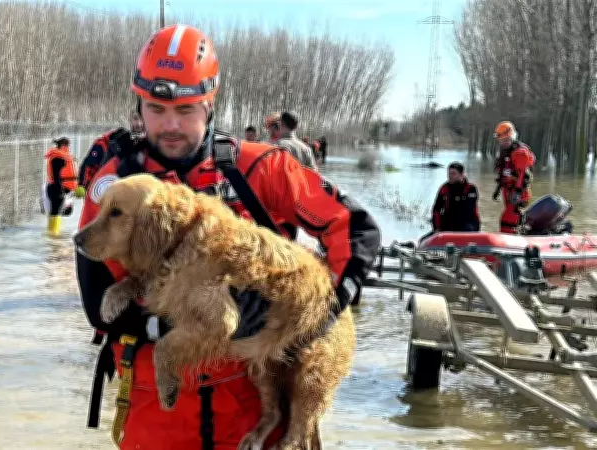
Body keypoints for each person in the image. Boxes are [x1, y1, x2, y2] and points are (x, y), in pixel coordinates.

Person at [75, 24, 381, 450]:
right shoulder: (114, 187)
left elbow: (355, 227)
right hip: (157, 411)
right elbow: (99, 306)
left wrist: (318, 317)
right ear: (138, 104)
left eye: (186, 110)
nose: (170, 125)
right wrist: (199, 323)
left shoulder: (260, 169)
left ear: (210, 103)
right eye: (156, 108)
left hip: (254, 409)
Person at [75, 111, 147, 198]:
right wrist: (83, 186)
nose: (139, 123)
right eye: (136, 119)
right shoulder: (104, 143)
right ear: (130, 120)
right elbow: (88, 165)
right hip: (106, 192)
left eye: (142, 119)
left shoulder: (152, 144)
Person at [492, 121, 536, 234]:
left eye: (505, 140)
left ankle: (508, 240)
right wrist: (498, 189)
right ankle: (517, 233)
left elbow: (524, 175)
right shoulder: (505, 152)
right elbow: (503, 174)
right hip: (508, 191)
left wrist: (517, 192)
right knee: (510, 217)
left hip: (518, 193)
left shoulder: (520, 153)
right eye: (501, 140)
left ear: (511, 138)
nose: (503, 143)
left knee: (508, 219)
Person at [430, 162, 480, 233]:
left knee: (468, 225)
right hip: (448, 225)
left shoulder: (470, 189)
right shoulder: (444, 189)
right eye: (449, 173)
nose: (450, 176)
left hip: (468, 225)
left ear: (461, 174)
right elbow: (436, 210)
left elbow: (468, 211)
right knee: (422, 240)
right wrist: (437, 228)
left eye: (453, 173)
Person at [44, 136, 77, 236]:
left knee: (57, 212)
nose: (69, 147)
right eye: (68, 145)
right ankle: (53, 236)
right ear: (63, 145)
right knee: (55, 212)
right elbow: (56, 174)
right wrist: (60, 190)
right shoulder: (58, 158)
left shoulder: (63, 156)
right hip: (57, 188)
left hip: (61, 188)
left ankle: (53, 234)